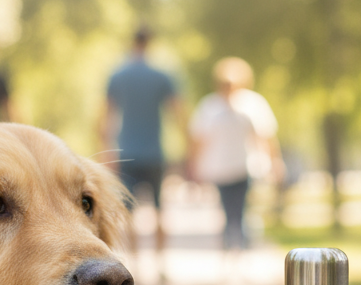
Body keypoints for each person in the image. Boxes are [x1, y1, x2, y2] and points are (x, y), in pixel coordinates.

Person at [99, 27, 187, 253]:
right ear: (150, 43)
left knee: (128, 213)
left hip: (126, 153)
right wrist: (188, 150)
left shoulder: (117, 76)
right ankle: (160, 262)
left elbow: (105, 119)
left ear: (132, 42)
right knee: (159, 210)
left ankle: (135, 263)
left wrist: (107, 152)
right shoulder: (162, 76)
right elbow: (178, 114)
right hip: (155, 153)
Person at [188, 57, 282, 250]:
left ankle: (240, 250)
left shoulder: (253, 104)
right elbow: (199, 141)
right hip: (220, 170)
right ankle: (229, 251)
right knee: (226, 212)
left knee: (240, 213)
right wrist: (193, 168)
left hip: (245, 167)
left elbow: (266, 137)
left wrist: (275, 163)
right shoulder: (209, 107)